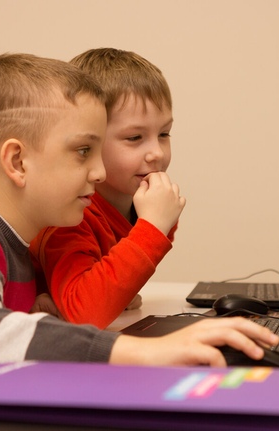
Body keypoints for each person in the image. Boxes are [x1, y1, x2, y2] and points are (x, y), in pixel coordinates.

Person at [0, 53, 279, 381]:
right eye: (83, 151)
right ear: (17, 162)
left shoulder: (14, 239)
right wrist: (140, 351)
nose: (98, 172)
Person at [30, 48, 184, 329]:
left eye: (164, 134)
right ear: (87, 143)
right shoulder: (69, 216)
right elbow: (84, 316)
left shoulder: (141, 205)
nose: (157, 153)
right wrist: (152, 228)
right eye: (134, 137)